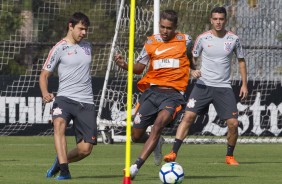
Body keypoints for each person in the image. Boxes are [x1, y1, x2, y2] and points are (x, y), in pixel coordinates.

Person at [114, 9, 194, 180]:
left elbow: (190, 57)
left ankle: (135, 167)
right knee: (136, 136)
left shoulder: (186, 40)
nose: (165, 31)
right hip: (152, 92)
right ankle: (156, 141)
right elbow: (139, 68)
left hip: (173, 94)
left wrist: (192, 68)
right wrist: (124, 64)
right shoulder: (151, 42)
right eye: (162, 27)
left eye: (169, 28)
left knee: (158, 126)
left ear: (175, 28)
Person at [163, 6, 248, 166]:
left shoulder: (233, 39)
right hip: (203, 85)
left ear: (225, 20)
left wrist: (244, 84)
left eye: (221, 19)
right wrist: (192, 70)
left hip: (223, 87)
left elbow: (241, 61)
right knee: (188, 116)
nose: (218, 22)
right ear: (211, 20)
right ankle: (173, 152)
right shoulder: (202, 38)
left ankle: (229, 156)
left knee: (234, 124)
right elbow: (190, 58)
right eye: (215, 19)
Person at [39, 12, 97, 180]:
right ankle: (64, 171)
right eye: (81, 29)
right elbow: (43, 75)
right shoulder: (59, 48)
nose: (84, 33)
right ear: (70, 26)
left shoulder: (88, 47)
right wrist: (45, 93)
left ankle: (60, 162)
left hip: (86, 102)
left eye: (86, 30)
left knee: (85, 149)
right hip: (64, 98)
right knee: (59, 125)